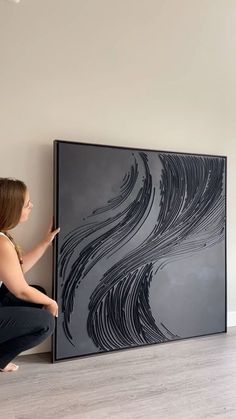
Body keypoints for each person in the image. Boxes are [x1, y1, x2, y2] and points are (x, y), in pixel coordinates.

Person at [0, 178, 60, 372]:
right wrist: (52, 303)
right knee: (46, 322)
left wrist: (44, 243)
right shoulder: (1, 244)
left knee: (37, 293)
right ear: (11, 209)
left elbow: (16, 270)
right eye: (27, 204)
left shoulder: (2, 237)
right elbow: (20, 291)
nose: (31, 206)